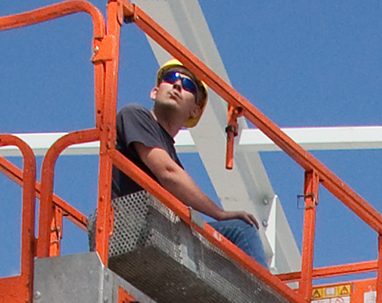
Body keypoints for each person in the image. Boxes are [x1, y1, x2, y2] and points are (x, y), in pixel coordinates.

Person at [113, 58, 267, 267]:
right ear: (154, 92)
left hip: (159, 233)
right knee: (240, 230)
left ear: (195, 110)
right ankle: (264, 299)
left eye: (187, 85)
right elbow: (168, 173)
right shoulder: (134, 115)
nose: (177, 85)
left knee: (236, 237)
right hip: (132, 230)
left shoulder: (171, 154)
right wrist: (219, 214)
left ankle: (255, 295)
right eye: (171, 78)